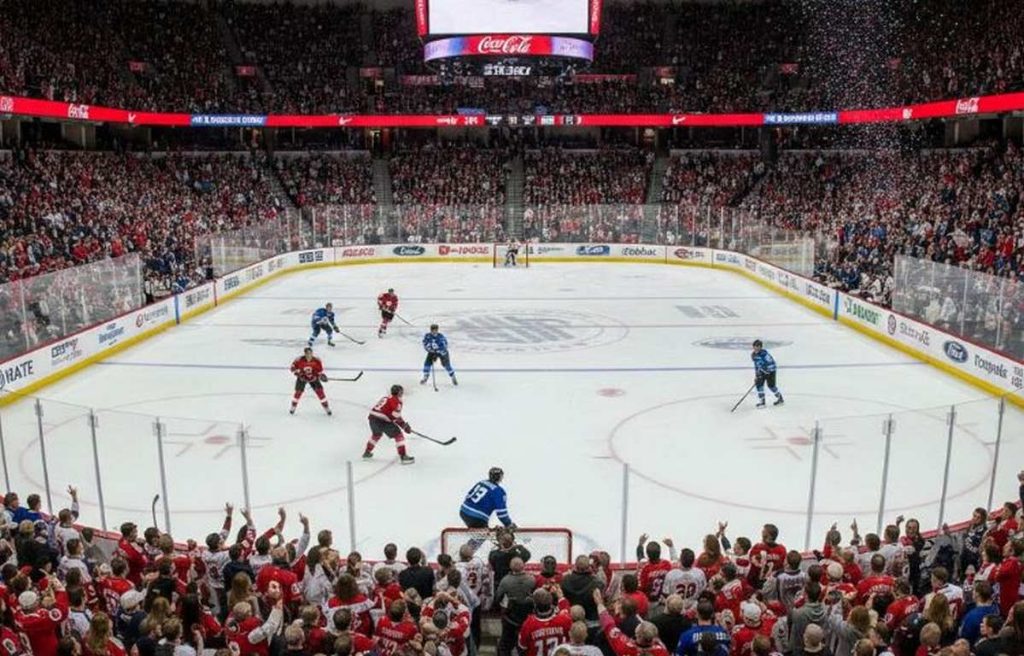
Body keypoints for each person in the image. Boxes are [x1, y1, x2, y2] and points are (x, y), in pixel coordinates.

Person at [363, 385, 414, 464]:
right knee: (399, 435)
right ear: (399, 392)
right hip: (382, 420)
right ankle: (403, 456)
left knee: (376, 435)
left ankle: (367, 452)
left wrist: (403, 425)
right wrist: (404, 426)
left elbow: (386, 411)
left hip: (372, 419)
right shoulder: (397, 401)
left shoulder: (385, 398)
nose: (402, 393)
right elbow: (395, 416)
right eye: (401, 391)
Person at [289, 347, 332, 416]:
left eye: (310, 353)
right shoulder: (299, 360)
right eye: (307, 354)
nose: (309, 355)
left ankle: (326, 407)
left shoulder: (317, 360)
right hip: (302, 378)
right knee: (298, 392)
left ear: (312, 353)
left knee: (320, 392)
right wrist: (299, 375)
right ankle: (293, 407)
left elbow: (319, 371)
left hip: (313, 378)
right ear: (305, 354)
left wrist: (321, 376)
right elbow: (292, 368)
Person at [751, 340, 783, 408]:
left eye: (757, 346)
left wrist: (767, 371)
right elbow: (756, 366)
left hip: (771, 372)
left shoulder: (765, 354)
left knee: (771, 386)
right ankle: (762, 402)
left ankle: (780, 398)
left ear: (760, 347)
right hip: (762, 372)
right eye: (754, 346)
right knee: (759, 385)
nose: (755, 348)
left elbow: (772, 364)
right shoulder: (753, 355)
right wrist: (757, 375)